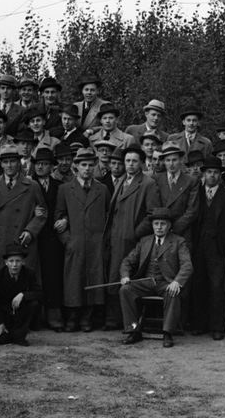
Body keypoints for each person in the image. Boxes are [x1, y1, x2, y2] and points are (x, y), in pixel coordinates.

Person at [54, 147, 111, 332]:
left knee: (93, 279)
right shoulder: (65, 189)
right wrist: (67, 241)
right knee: (73, 281)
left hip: (95, 243)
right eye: (83, 165)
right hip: (75, 242)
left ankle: (87, 318)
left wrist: (103, 240)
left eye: (90, 165)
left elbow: (109, 216)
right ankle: (73, 318)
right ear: (75, 167)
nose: (87, 168)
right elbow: (58, 216)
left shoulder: (102, 189)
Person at [119, 207, 193, 348]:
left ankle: (167, 333)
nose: (159, 227)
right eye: (156, 224)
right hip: (146, 282)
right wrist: (125, 276)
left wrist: (177, 282)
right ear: (152, 225)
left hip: (166, 283)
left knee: (173, 292)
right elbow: (127, 261)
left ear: (169, 225)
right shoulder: (145, 241)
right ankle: (134, 330)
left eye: (163, 224)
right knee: (125, 290)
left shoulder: (179, 241)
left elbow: (187, 266)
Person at [189, 156, 225, 340]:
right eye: (209, 172)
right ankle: (199, 324)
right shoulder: (195, 191)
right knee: (198, 283)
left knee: (216, 286)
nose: (212, 176)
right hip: (198, 244)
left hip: (219, 247)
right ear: (203, 174)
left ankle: (217, 326)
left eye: (215, 172)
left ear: (220, 175)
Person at [106, 146, 160, 329]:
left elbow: (152, 213)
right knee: (114, 276)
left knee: (125, 277)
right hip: (115, 237)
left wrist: (135, 232)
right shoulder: (121, 180)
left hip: (131, 239)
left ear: (142, 163)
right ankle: (115, 319)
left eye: (134, 161)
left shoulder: (147, 183)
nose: (130, 164)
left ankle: (124, 321)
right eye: (127, 160)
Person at [0, 143, 47, 279]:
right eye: (5, 162)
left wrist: (30, 231)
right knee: (2, 280)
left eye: (13, 161)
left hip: (23, 241)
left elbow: (42, 212)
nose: (9, 165)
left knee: (24, 281)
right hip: (1, 241)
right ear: (1, 164)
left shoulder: (32, 186)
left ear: (18, 162)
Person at [31, 147, 66, 331]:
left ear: (52, 166)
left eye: (44, 164)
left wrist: (65, 220)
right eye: (37, 164)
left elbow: (66, 209)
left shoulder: (59, 186)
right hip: (33, 236)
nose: (40, 167)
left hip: (52, 237)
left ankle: (54, 316)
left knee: (52, 276)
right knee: (33, 276)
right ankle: (34, 317)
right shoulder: (27, 184)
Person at [0, 242, 42, 346]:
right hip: (2, 313)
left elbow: (39, 293)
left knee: (33, 303)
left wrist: (23, 294)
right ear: (6, 262)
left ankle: (19, 334)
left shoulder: (29, 272)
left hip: (18, 310)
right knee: (1, 340)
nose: (14, 265)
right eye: (11, 261)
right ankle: (6, 329)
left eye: (18, 261)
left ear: (23, 262)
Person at [153, 144, 200, 244]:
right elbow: (154, 206)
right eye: (168, 160)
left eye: (174, 160)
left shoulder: (191, 181)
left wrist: (174, 228)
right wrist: (163, 227)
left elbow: (192, 211)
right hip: (160, 231)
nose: (171, 164)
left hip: (183, 232)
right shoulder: (156, 179)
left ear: (181, 160)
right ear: (164, 162)